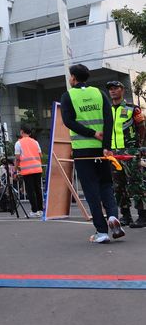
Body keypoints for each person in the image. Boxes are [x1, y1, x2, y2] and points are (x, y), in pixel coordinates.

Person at [60, 63, 124, 244]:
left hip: (83, 151)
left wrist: (91, 133)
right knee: (106, 185)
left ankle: (101, 232)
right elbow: (109, 120)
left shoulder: (68, 96)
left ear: (73, 77)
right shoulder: (99, 93)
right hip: (102, 150)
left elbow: (68, 121)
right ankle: (113, 216)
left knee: (91, 190)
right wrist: (106, 145)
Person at [106, 80, 146, 228]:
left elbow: (142, 128)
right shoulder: (107, 110)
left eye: (115, 88)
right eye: (110, 89)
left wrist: (139, 147)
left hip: (131, 152)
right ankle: (125, 215)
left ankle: (143, 216)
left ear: (122, 90)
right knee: (118, 186)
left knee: (135, 184)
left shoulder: (132, 109)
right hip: (114, 153)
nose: (112, 91)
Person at [14, 126, 44, 217]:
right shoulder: (35, 142)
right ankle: (40, 210)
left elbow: (17, 158)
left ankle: (34, 211)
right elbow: (40, 155)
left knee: (30, 191)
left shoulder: (19, 143)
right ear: (30, 133)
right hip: (37, 169)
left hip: (27, 170)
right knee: (38, 189)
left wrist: (16, 169)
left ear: (22, 132)